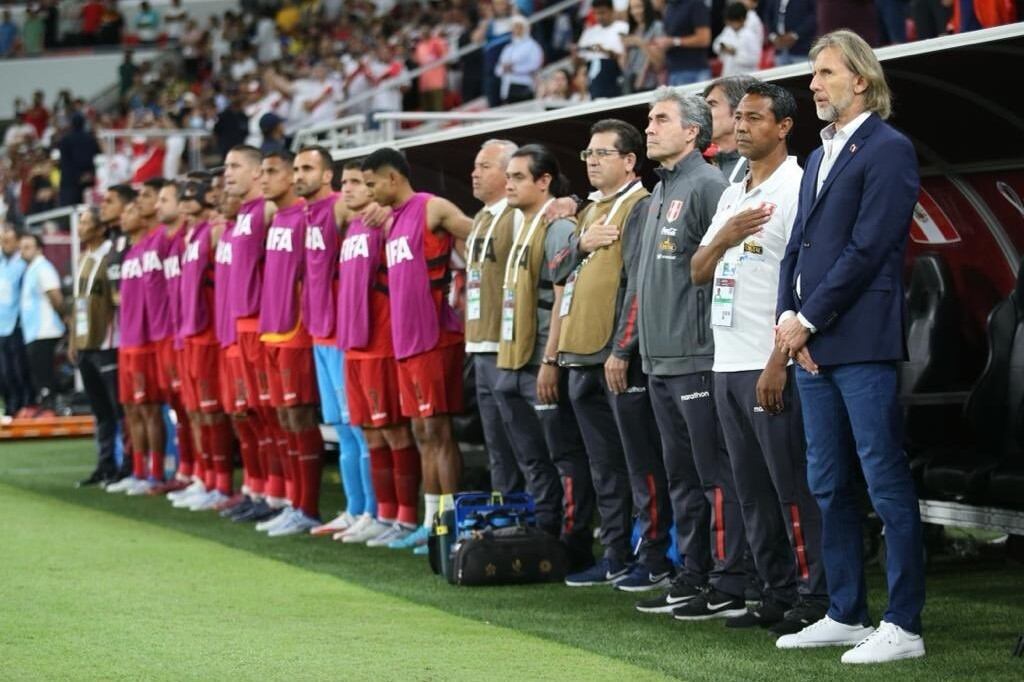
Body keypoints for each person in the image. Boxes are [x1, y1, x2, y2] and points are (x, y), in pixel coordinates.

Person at [774, 30, 925, 664]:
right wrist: (788, 316)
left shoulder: (889, 150)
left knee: (885, 482)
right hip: (812, 346)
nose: (814, 84)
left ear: (860, 79)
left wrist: (807, 319)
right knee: (828, 484)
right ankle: (845, 612)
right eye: (814, 75)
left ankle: (904, 625)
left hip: (859, 343)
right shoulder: (817, 156)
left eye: (825, 73)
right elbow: (797, 246)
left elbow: (870, 250)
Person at [690, 82, 827, 634]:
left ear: (784, 126)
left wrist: (779, 357)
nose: (741, 126)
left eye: (754, 118)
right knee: (749, 490)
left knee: (790, 486)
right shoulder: (731, 190)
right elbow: (698, 270)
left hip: (771, 359)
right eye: (738, 117)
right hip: (725, 359)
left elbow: (805, 280)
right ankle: (774, 590)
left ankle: (815, 596)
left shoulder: (798, 186)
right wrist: (723, 235)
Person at [631, 89, 747, 620]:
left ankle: (728, 579)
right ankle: (693, 574)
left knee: (712, 474)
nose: (649, 127)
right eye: (649, 119)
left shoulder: (706, 186)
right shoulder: (659, 191)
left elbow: (723, 271)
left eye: (660, 119)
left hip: (698, 357)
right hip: (660, 361)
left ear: (692, 133)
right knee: (681, 475)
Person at [558, 120, 675, 591]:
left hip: (616, 357)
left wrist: (622, 348)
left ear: (630, 161)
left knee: (641, 464)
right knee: (605, 467)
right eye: (588, 152)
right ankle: (616, 555)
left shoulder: (641, 207)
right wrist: (577, 241)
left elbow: (638, 286)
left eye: (603, 153)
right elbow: (558, 268)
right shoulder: (588, 211)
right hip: (579, 356)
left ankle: (654, 556)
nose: (591, 159)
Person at [361, 147, 475, 550]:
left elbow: (479, 232)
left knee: (438, 432)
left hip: (434, 338)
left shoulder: (433, 208)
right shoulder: (393, 222)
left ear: (393, 178)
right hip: (405, 341)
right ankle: (431, 523)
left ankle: (454, 523)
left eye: (372, 184)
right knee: (421, 432)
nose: (370, 193)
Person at [495, 144, 593, 571]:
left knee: (563, 457)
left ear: (545, 180)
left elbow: (561, 299)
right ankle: (545, 531)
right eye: (509, 176)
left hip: (540, 361)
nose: (509, 184)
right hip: (515, 358)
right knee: (534, 458)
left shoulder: (556, 225)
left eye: (518, 177)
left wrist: (550, 360)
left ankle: (570, 542)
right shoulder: (524, 222)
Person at [335, 160, 422, 547]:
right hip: (352, 344)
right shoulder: (353, 225)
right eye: (345, 183)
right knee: (370, 433)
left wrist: (386, 216)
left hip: (382, 343)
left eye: (357, 182)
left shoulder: (385, 223)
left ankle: (404, 518)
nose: (349, 189)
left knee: (394, 432)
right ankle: (380, 513)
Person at [292, 148, 376, 539]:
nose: (298, 176)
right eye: (296, 168)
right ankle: (354, 509)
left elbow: (367, 212)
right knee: (342, 429)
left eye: (306, 168)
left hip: (344, 335)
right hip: (319, 333)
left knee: (359, 429)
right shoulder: (309, 213)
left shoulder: (338, 207)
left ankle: (373, 513)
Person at [255, 150, 326, 537]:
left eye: (271, 171)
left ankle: (308, 507)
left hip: (296, 331)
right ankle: (293, 503)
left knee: (299, 417)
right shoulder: (276, 217)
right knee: (283, 419)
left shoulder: (305, 214)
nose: (263, 179)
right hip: (272, 328)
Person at [465, 139, 525, 496]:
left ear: (508, 174)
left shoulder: (516, 215)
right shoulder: (481, 217)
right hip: (479, 344)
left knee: (518, 443)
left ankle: (532, 523)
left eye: (485, 166)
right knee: (496, 447)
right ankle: (505, 516)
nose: (474, 173)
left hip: (506, 349)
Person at [105, 201, 163, 496]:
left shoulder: (154, 246)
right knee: (131, 410)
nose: (125, 214)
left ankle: (155, 474)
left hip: (145, 341)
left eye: (130, 210)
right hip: (126, 341)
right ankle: (139, 471)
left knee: (149, 409)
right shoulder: (130, 252)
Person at [70, 207, 121, 486]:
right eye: (80, 222)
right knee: (100, 409)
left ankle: (125, 465)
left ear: (101, 228)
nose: (81, 227)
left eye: (87, 222)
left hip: (108, 343)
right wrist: (73, 339)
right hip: (85, 343)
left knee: (117, 408)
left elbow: (115, 300)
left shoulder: (111, 255)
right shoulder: (83, 258)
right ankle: (104, 465)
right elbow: (78, 303)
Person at [18, 234, 65, 418]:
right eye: (21, 247)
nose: (23, 251)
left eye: (28, 246)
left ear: (39, 248)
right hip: (34, 332)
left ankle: (50, 406)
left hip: (45, 330)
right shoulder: (31, 269)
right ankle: (44, 404)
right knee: (37, 371)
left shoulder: (43, 268)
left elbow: (55, 295)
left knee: (44, 371)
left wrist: (65, 318)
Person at [0, 225, 33, 419]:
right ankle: (11, 406)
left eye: (8, 239)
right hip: (1, 327)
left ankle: (25, 405)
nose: (4, 243)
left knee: (19, 369)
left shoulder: (23, 265)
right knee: (3, 372)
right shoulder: (2, 265)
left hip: (16, 326)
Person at [703, 75, 760, 184]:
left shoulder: (760, 168)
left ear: (739, 111)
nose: (703, 113)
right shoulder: (708, 169)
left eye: (711, 105)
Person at [574, 0, 628, 99]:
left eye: (602, 12)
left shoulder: (622, 27)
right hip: (591, 75)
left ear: (612, 11)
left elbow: (625, 57)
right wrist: (574, 55)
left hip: (613, 74)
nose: (599, 17)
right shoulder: (589, 32)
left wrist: (604, 51)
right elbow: (580, 60)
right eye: (596, 13)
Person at [656, 0, 712, 85]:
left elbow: (704, 39)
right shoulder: (670, 7)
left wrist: (674, 41)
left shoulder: (696, 4)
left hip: (694, 70)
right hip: (673, 72)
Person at [495, 16, 544, 104]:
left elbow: (535, 65)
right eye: (514, 27)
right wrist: (504, 68)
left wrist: (514, 69)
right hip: (506, 87)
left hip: (523, 86)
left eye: (518, 27)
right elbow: (498, 70)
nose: (515, 30)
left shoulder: (532, 46)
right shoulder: (508, 48)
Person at [620, 0, 665, 94]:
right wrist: (624, 49)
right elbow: (624, 67)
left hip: (651, 84)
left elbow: (659, 63)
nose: (635, 11)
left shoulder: (657, 27)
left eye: (639, 7)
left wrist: (641, 43)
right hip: (631, 85)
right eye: (632, 8)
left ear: (647, 7)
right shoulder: (632, 30)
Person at [712, 3, 762, 76]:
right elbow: (716, 45)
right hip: (729, 73)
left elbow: (755, 59)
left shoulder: (750, 35)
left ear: (741, 19)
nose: (730, 24)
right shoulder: (728, 30)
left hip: (747, 75)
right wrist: (722, 48)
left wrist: (735, 52)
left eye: (732, 22)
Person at [764, 0, 817, 66]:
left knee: (802, 75)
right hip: (780, 50)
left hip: (801, 50)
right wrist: (773, 37)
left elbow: (813, 17)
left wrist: (795, 35)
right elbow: (767, 17)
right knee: (781, 75)